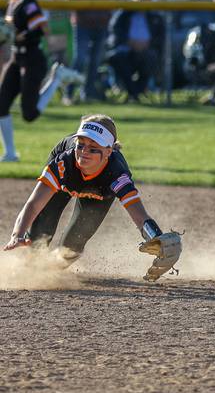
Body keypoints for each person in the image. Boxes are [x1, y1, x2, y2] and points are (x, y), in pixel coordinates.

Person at [2, 114, 182, 281]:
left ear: (109, 151)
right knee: (39, 235)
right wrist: (17, 235)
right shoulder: (64, 163)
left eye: (93, 148)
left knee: (72, 246)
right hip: (66, 181)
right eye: (80, 144)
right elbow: (34, 205)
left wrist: (157, 237)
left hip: (99, 193)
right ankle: (29, 269)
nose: (84, 152)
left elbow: (139, 215)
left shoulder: (116, 174)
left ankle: (47, 273)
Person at [0, 0, 81, 162]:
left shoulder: (28, 3)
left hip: (32, 59)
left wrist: (18, 35)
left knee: (29, 114)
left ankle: (56, 79)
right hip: (17, 58)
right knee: (1, 104)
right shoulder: (12, 2)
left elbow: (44, 29)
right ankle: (10, 153)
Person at [65, 0, 111, 103]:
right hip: (82, 25)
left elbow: (108, 2)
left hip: (100, 26)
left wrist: (104, 18)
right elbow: (69, 0)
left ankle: (88, 92)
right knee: (80, 59)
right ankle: (69, 93)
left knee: (95, 61)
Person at [106, 0, 165, 103]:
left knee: (151, 57)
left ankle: (135, 94)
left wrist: (147, 44)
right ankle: (135, 94)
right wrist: (129, 42)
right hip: (127, 49)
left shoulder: (154, 16)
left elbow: (160, 38)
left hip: (146, 50)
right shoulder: (125, 14)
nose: (143, 0)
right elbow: (114, 28)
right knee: (116, 57)